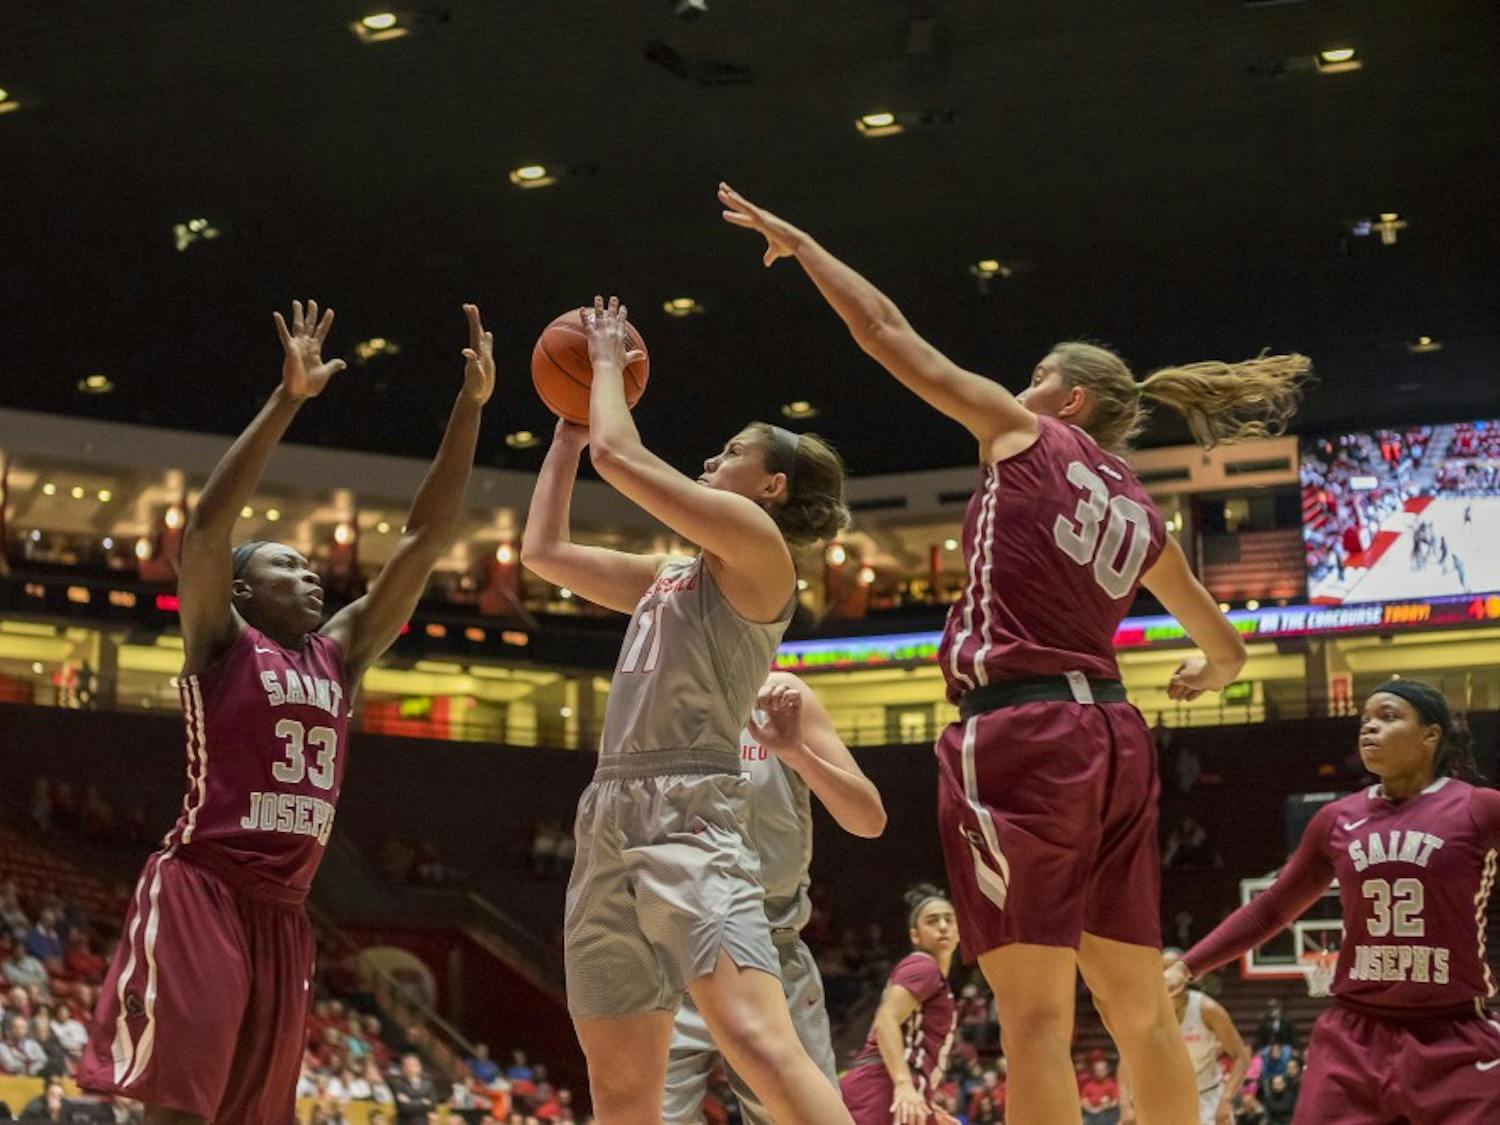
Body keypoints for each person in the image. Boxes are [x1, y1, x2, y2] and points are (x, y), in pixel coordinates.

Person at [720, 182, 1304, 1125]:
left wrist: (807, 246)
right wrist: (1208, 673)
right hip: (1115, 733)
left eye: (1034, 373)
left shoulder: (1025, 432)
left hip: (1022, 732)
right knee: (1141, 1012)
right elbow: (1227, 646)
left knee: (1034, 1016)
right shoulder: (1141, 508)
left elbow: (884, 330)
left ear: (1068, 396)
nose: (1018, 384)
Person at [75, 300, 497, 1124]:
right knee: (181, 1108)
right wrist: (286, 401)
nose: (311, 576)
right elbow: (205, 528)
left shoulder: (340, 652)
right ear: (240, 590)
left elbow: (424, 537)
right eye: (287, 564)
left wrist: (470, 408)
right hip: (204, 887)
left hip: (286, 915)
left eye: (311, 568)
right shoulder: (220, 640)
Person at [521, 295, 854, 1124]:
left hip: (689, 809)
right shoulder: (673, 576)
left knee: (760, 1043)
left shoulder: (757, 549)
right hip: (609, 810)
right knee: (623, 1091)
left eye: (735, 450)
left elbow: (623, 458)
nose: (714, 456)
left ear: (770, 486)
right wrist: (566, 433)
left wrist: (603, 367)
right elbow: (545, 552)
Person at [1168, 680, 1500, 1123]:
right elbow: (1273, 907)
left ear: (1430, 734)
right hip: (1354, 1037)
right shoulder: (1336, 820)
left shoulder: (1478, 809)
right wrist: (1188, 965)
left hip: (1454, 1035)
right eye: (1365, 721)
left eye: (1388, 717)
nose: (1369, 728)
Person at [662, 672, 887, 1124]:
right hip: (674, 953)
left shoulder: (779, 693)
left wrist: (796, 753)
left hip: (770, 945)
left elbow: (869, 819)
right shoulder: (660, 695)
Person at [839, 887, 960, 1125]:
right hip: (880, 1085)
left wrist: (926, 1102)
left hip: (892, 1086)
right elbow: (886, 1020)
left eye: (949, 919)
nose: (943, 926)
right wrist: (904, 1084)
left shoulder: (932, 978)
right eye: (933, 921)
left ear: (959, 932)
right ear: (915, 936)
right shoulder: (923, 967)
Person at [1123, 951, 1250, 1125]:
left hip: (1206, 1099)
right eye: (1162, 971)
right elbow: (1127, 1060)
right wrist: (1125, 1105)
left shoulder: (1207, 1009)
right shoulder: (1144, 1012)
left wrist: (1226, 1100)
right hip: (1161, 1102)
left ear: (1186, 975)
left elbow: (1241, 1057)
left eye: (1171, 970)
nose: (1167, 976)